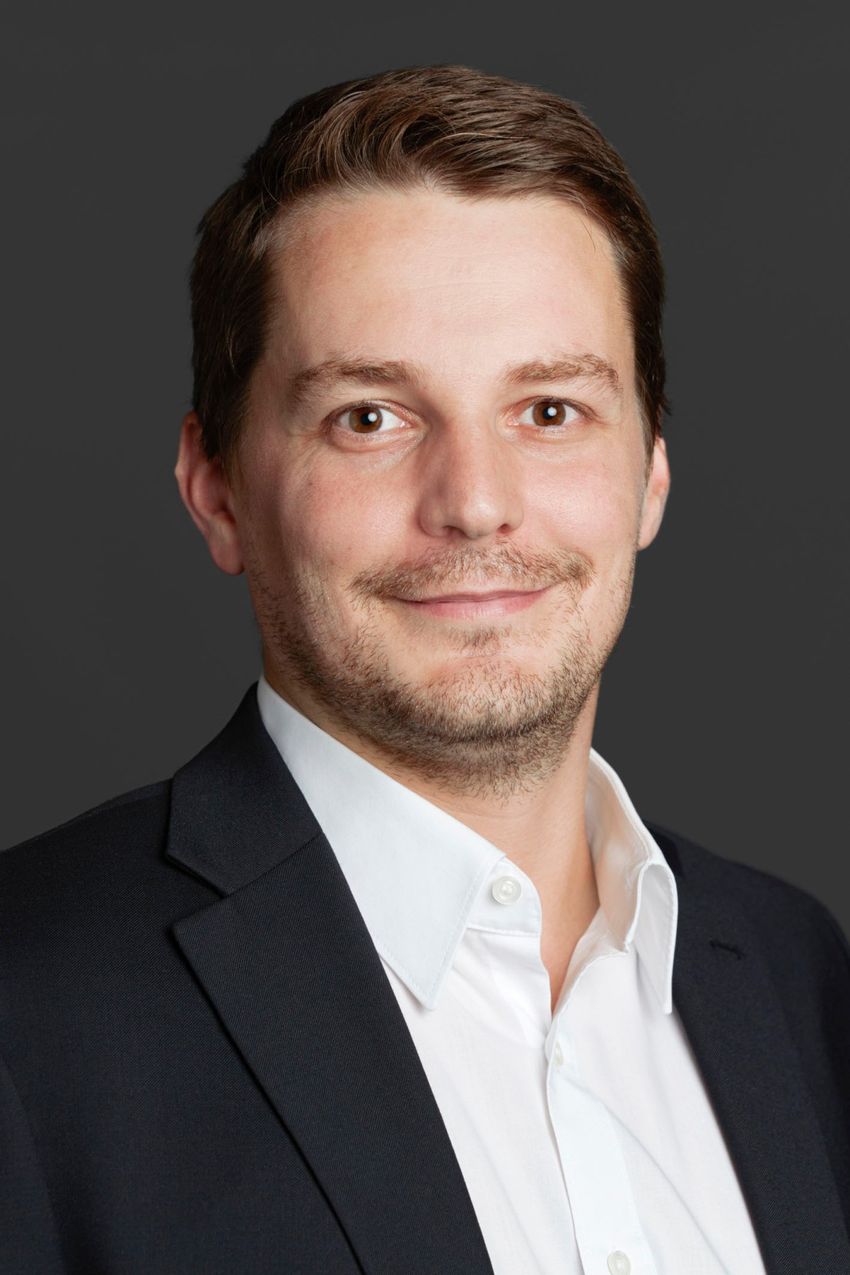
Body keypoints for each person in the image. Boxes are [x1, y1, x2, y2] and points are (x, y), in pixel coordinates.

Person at [1, 65, 848, 1275]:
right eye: (369, 417)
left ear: (650, 471)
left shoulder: (794, 973)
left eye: (549, 411)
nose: (476, 502)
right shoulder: (29, 1005)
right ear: (218, 489)